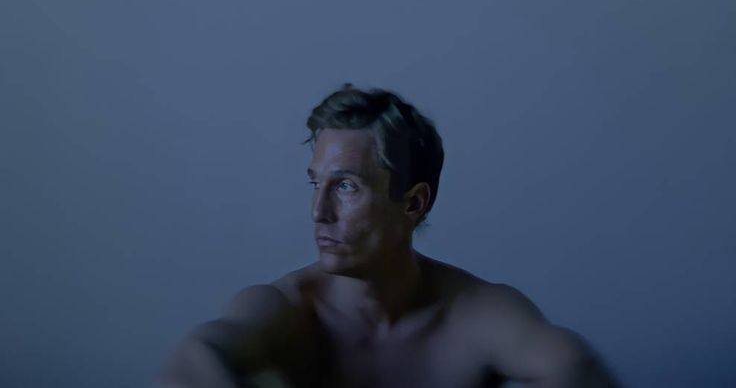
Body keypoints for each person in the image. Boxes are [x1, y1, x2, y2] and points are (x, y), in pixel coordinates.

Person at [156, 83, 622, 386]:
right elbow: (192, 362)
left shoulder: (473, 313)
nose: (318, 212)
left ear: (414, 202)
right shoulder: (285, 307)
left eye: (345, 186)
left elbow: (575, 369)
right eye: (315, 183)